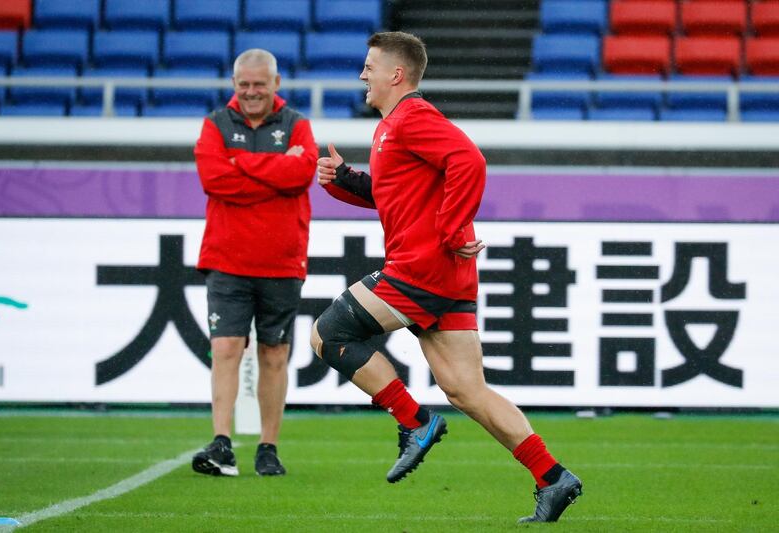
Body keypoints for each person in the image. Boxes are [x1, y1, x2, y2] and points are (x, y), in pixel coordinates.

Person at [313, 32, 582, 523]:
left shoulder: (412, 117)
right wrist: (346, 180)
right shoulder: (391, 127)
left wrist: (453, 226)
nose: (362, 75)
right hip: (445, 276)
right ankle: (552, 476)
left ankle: (414, 421)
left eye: (370, 66)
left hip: (422, 269)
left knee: (328, 333)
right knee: (465, 390)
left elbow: (470, 161)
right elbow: (394, 194)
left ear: (397, 74)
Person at [192, 49, 318, 477]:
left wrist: (240, 164)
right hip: (227, 259)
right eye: (243, 84)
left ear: (275, 85)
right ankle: (222, 441)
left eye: (259, 84)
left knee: (275, 354)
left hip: (282, 261)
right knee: (226, 348)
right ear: (234, 85)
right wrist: (274, 172)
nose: (250, 92)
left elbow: (300, 175)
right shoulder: (215, 123)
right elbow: (213, 179)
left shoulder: (298, 123)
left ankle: (268, 446)